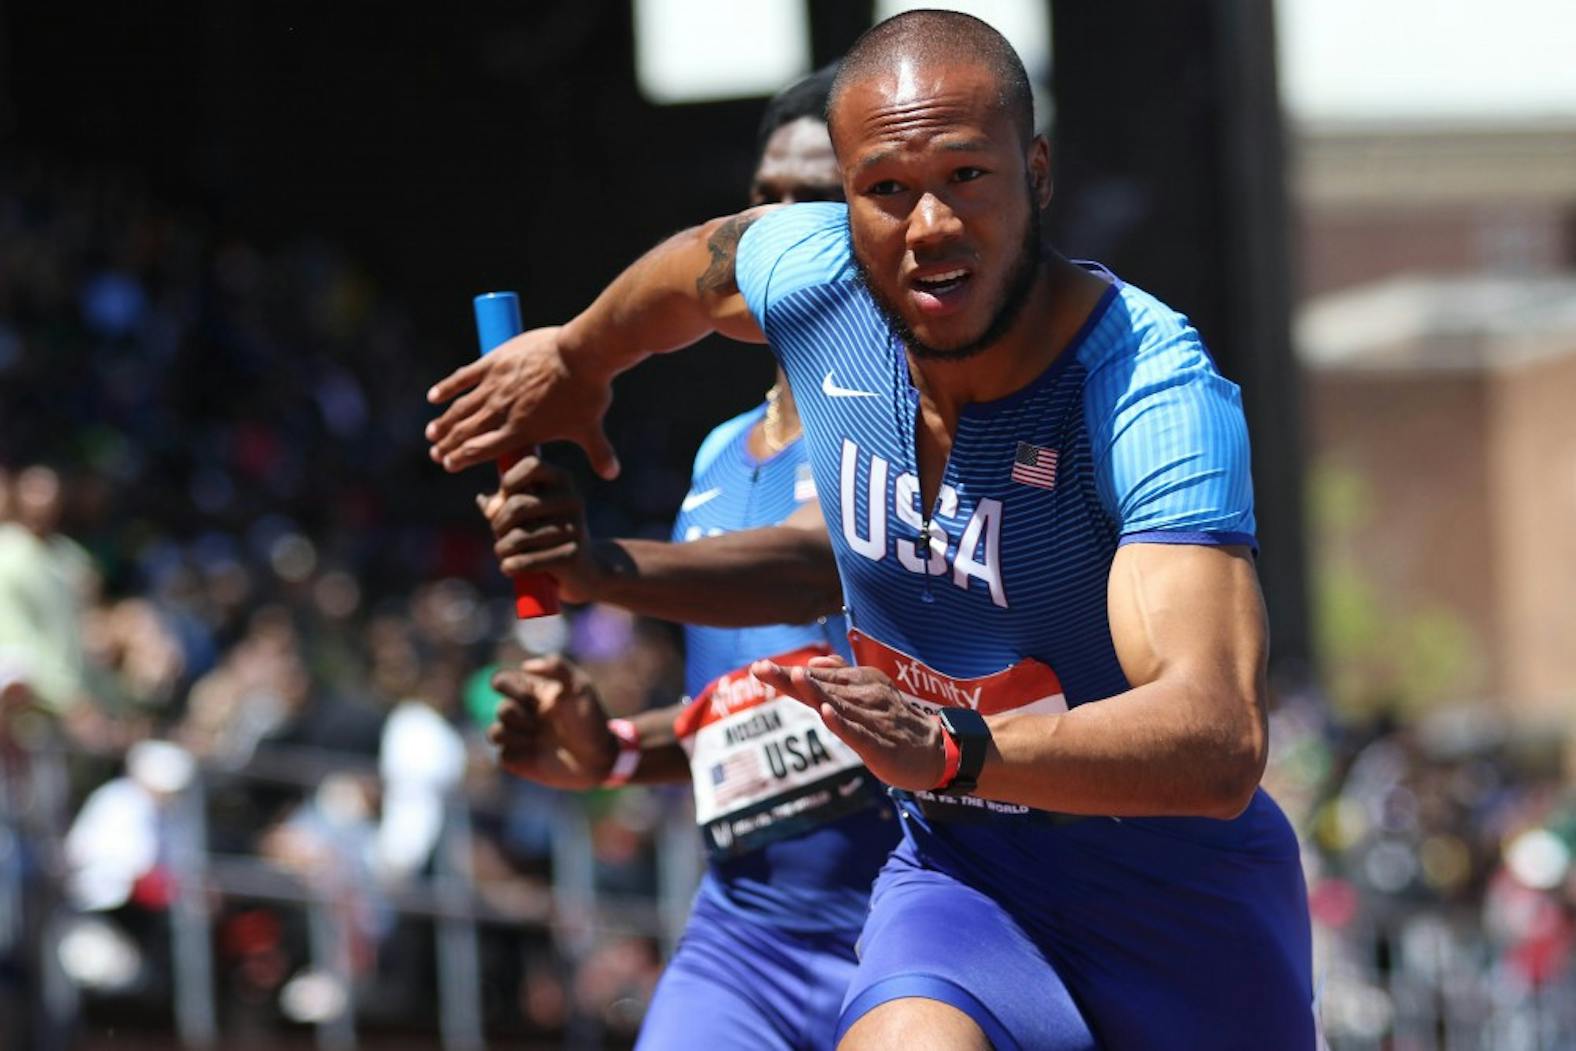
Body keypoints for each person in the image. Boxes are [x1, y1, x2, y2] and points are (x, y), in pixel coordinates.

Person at [429, 12, 1314, 1050]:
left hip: (1181, 918)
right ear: (845, 203)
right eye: (886, 189)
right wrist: (578, 359)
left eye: (966, 176)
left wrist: (948, 746)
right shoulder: (814, 278)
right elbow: (701, 268)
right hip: (964, 886)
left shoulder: (1146, 389)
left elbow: (1217, 737)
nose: (929, 222)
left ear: (1036, 174)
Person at [481, 66, 903, 1051]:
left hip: (911, 932)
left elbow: (812, 566)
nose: (778, 235)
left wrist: (594, 567)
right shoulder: (719, 454)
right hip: (743, 941)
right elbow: (757, 711)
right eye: (765, 199)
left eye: (818, 202)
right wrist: (616, 749)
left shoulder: (917, 418)